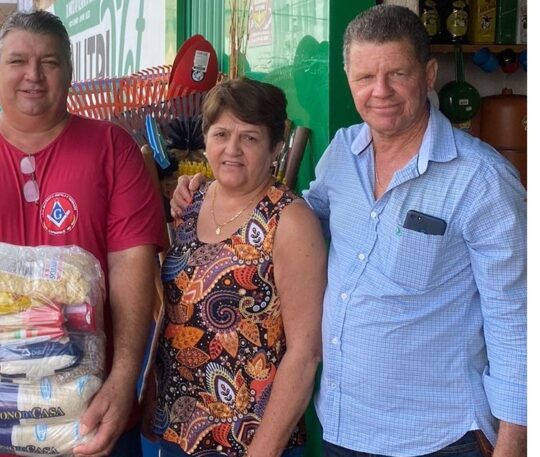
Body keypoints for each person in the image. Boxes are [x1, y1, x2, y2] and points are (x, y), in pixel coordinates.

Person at [171, 5, 527, 457]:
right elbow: (289, 220)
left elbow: (516, 321)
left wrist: (514, 444)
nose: (380, 91)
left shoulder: (480, 179)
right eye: (364, 77)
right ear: (347, 77)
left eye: (397, 73)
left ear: (429, 73)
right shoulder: (343, 153)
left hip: (439, 437)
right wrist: (210, 192)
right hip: (345, 427)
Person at [0, 9, 166, 457]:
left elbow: (131, 271)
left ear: (70, 73)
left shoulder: (113, 150)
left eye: (50, 62)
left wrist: (123, 379)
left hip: (90, 413)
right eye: (18, 61)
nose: (33, 76)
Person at [148, 78, 325, 457]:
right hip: (180, 431)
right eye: (221, 134)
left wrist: (264, 449)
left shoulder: (289, 221)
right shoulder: (192, 200)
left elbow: (306, 352)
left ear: (276, 147)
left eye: (250, 138)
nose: (232, 150)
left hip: (253, 439)